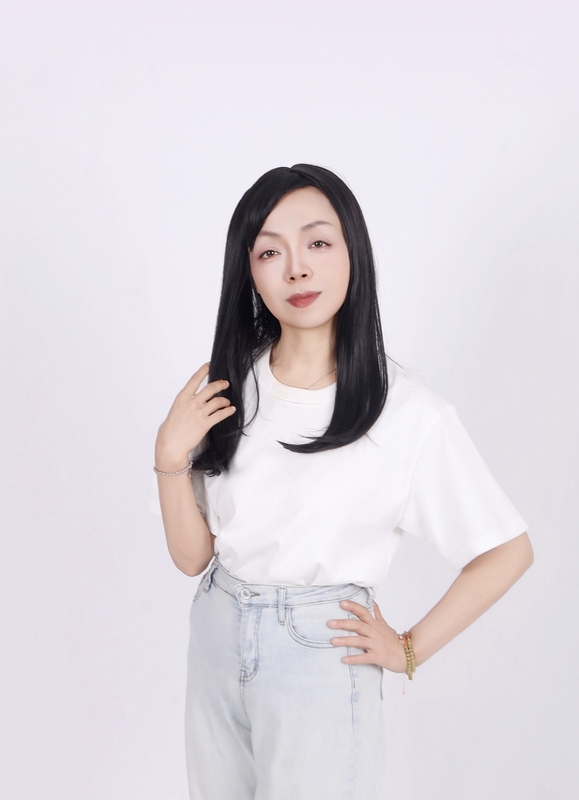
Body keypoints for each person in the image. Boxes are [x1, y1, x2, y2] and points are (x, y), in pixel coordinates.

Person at [153, 164, 533, 800]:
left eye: (318, 242)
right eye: (270, 252)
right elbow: (193, 557)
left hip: (320, 653)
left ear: (353, 250)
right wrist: (169, 453)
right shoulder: (227, 386)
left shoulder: (408, 412)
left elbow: (506, 550)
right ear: (249, 272)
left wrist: (409, 649)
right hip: (216, 634)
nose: (296, 269)